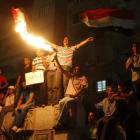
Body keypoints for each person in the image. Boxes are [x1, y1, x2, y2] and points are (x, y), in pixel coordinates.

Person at [54, 56, 88, 129]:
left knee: (67, 102)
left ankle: (60, 123)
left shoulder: (83, 78)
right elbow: (62, 70)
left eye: (78, 69)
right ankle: (64, 122)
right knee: (61, 102)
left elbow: (83, 89)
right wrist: (57, 60)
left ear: (80, 71)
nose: (76, 70)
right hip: (70, 96)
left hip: (78, 97)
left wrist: (75, 95)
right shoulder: (71, 77)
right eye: (75, 69)